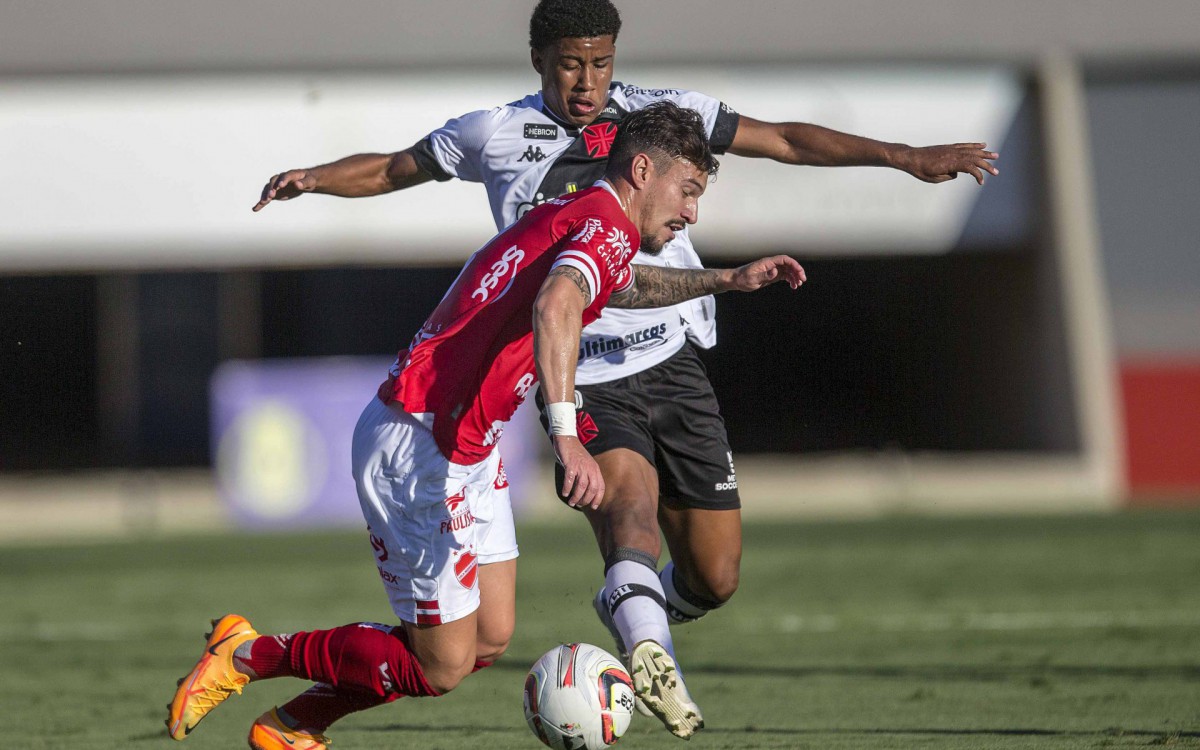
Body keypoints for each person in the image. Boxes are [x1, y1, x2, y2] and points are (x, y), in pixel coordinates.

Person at [250, 0, 998, 739]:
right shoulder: (495, 132)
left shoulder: (662, 121)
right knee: (628, 515)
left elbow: (784, 139)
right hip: (581, 375)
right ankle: (651, 658)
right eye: (570, 65)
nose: (587, 81)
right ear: (539, 60)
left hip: (671, 357)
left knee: (715, 575)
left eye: (601, 63)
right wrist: (314, 177)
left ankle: (631, 603)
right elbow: (394, 169)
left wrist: (905, 158)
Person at [168, 102, 805, 750]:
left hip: (470, 444)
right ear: (643, 170)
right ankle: (246, 654)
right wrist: (566, 437)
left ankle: (296, 725)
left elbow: (618, 284)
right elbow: (558, 305)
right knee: (440, 666)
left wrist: (724, 279)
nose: (692, 212)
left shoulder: (586, 215)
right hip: (421, 442)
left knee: (490, 638)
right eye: (688, 190)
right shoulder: (603, 226)